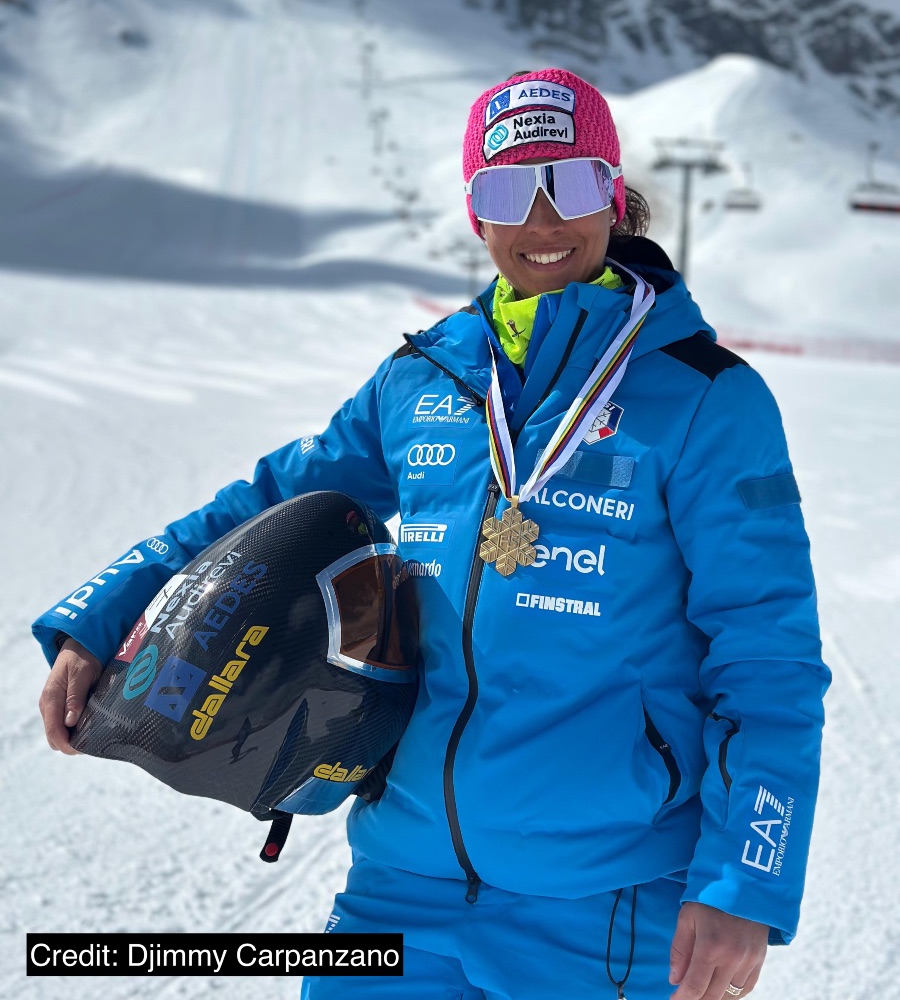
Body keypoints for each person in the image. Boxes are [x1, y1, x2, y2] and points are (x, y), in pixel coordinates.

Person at [36, 68, 830, 1000]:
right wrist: (108, 613)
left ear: (614, 195)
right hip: (400, 887)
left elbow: (768, 657)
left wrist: (744, 882)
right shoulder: (427, 378)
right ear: (475, 212)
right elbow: (273, 500)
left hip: (609, 907)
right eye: (508, 191)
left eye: (571, 183)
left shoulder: (707, 399)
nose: (542, 220)